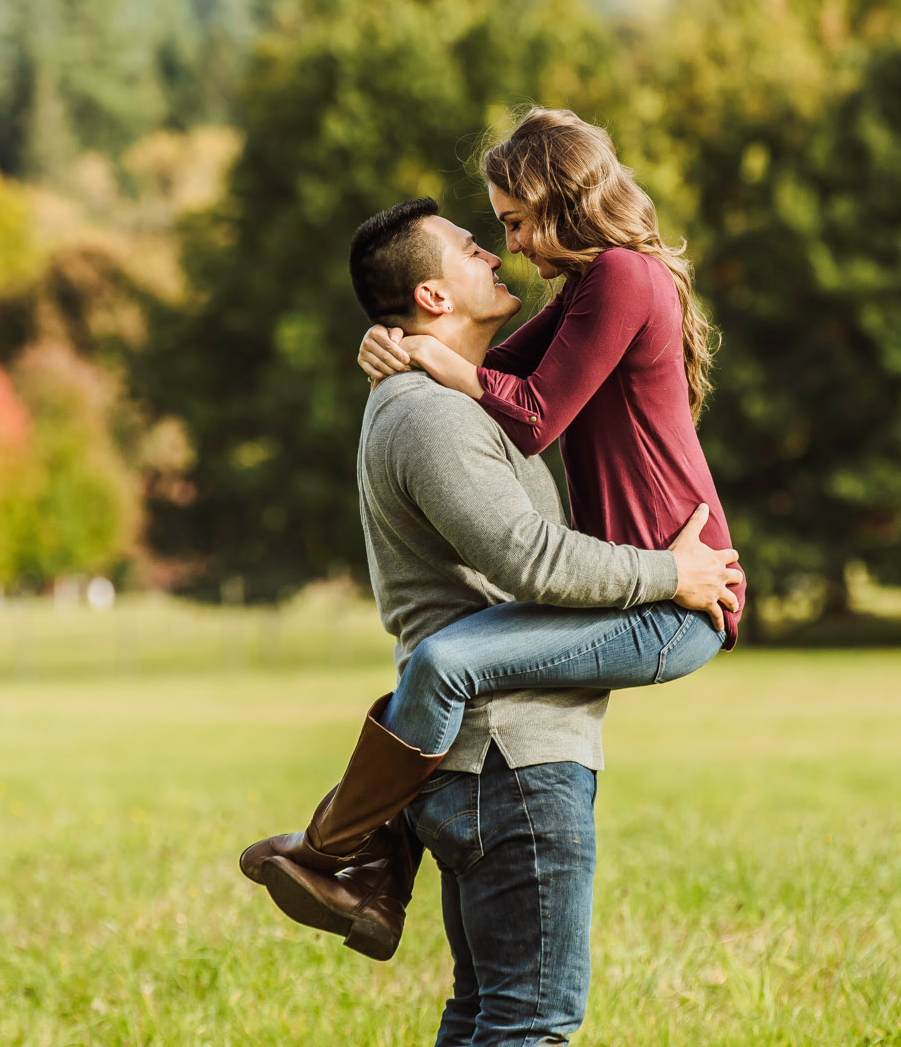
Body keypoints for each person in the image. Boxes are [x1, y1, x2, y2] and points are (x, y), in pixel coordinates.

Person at [240, 195, 741, 1046]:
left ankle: (367, 850)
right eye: (474, 248)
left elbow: (539, 398)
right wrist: (673, 574)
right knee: (530, 1025)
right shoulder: (430, 413)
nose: (496, 253)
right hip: (512, 760)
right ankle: (341, 842)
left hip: (477, 757)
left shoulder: (455, 397)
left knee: (485, 1015)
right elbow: (530, 557)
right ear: (433, 296)